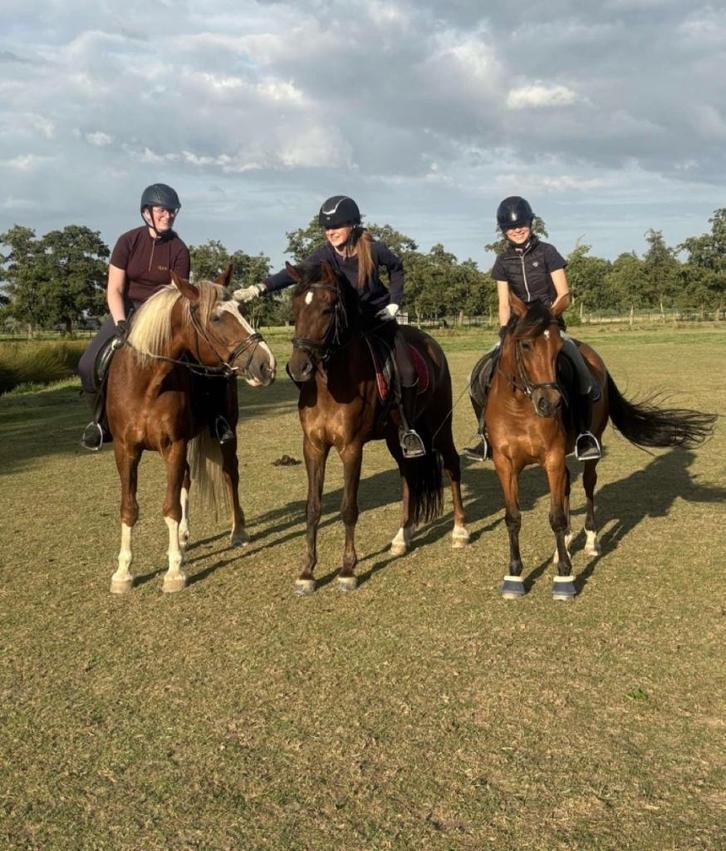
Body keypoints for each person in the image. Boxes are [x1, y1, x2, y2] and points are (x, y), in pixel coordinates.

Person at [234, 195, 426, 458]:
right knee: (297, 367)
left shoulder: (375, 249)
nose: (330, 232)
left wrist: (394, 303)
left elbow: (397, 268)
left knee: (406, 371)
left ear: (353, 225)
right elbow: (295, 272)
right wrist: (258, 288)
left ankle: (407, 428)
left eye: (336, 226)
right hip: (346, 328)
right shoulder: (325, 255)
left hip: (378, 319)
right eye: (326, 228)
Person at [78, 183, 234, 450]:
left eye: (173, 212)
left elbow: (176, 294)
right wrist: (120, 323)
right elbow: (114, 289)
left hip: (162, 317)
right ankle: (101, 424)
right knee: (87, 364)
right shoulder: (128, 242)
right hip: (126, 312)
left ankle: (216, 418)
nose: (168, 216)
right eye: (163, 210)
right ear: (147, 212)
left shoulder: (179, 249)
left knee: (208, 363)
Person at [464, 196, 601, 462]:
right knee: (479, 374)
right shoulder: (502, 262)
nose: (517, 230)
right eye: (511, 227)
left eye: (522, 225)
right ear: (503, 230)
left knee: (581, 371)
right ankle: (484, 436)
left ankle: (584, 434)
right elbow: (504, 303)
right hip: (518, 330)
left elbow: (565, 295)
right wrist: (504, 331)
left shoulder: (548, 252)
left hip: (549, 325)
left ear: (531, 224)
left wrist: (548, 316)